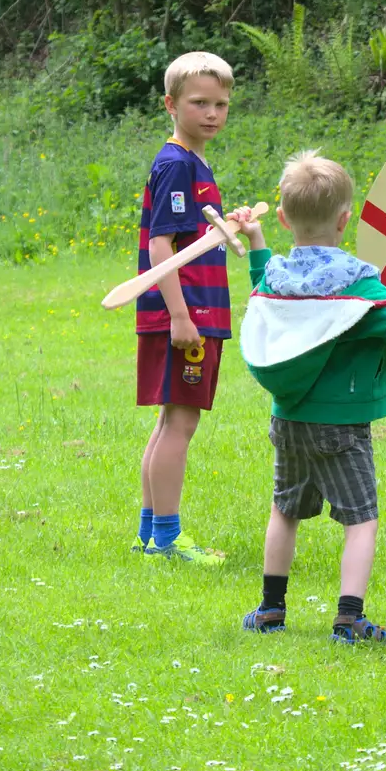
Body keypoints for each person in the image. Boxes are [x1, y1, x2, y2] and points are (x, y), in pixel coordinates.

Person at [240, 151, 386, 642]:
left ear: (282, 218)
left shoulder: (277, 278)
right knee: (360, 520)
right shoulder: (359, 284)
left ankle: (270, 610)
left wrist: (255, 241)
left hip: (290, 419)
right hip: (342, 425)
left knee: (285, 511)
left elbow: (259, 282)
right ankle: (349, 617)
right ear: (346, 220)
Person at [132, 51, 249, 564]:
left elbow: (191, 235)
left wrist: (229, 223)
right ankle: (168, 537)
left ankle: (149, 535)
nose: (212, 113)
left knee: (169, 421)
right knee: (180, 424)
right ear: (170, 104)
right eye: (199, 103)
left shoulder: (192, 161)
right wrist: (181, 316)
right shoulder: (177, 162)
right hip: (186, 315)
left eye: (221, 104)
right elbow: (162, 246)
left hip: (194, 310)